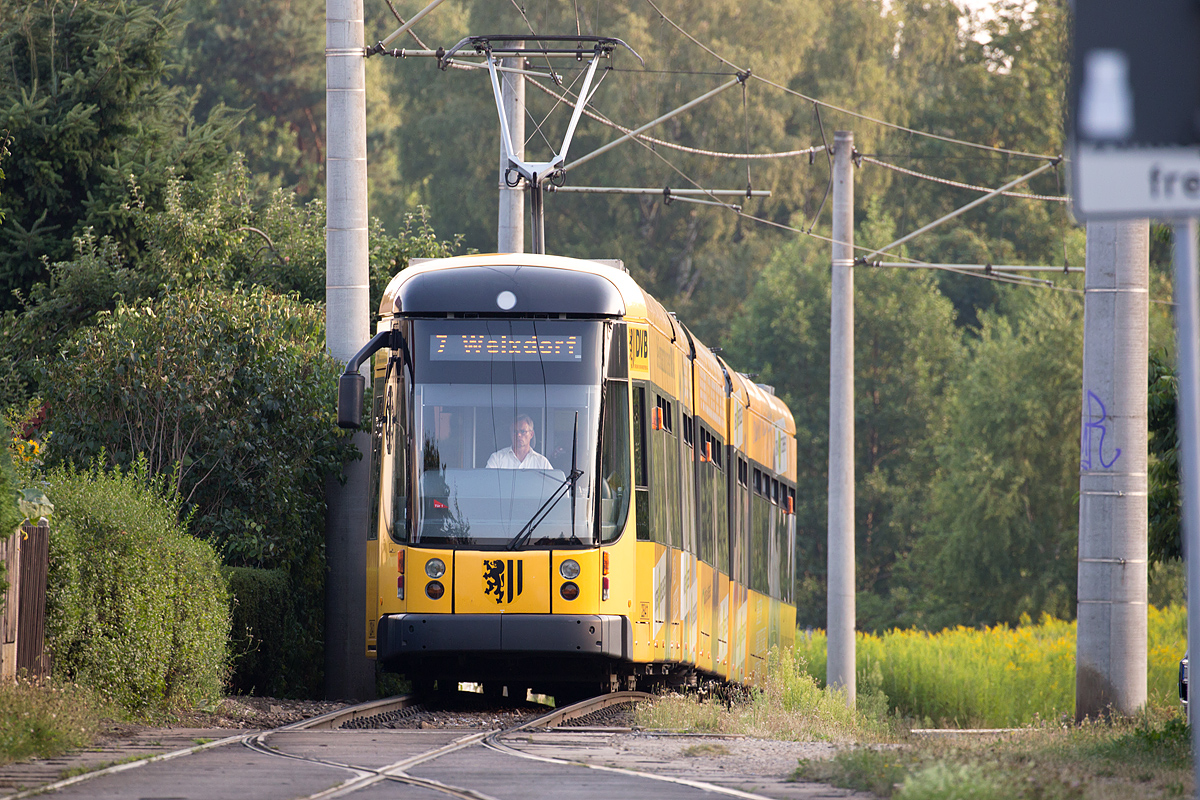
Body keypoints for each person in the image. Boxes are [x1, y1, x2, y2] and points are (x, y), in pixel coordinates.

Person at [486, 415, 553, 469]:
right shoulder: (497, 459)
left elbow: (553, 485)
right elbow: (488, 483)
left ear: (531, 434)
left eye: (523, 431)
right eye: (515, 432)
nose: (518, 435)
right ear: (510, 434)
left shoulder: (542, 463)